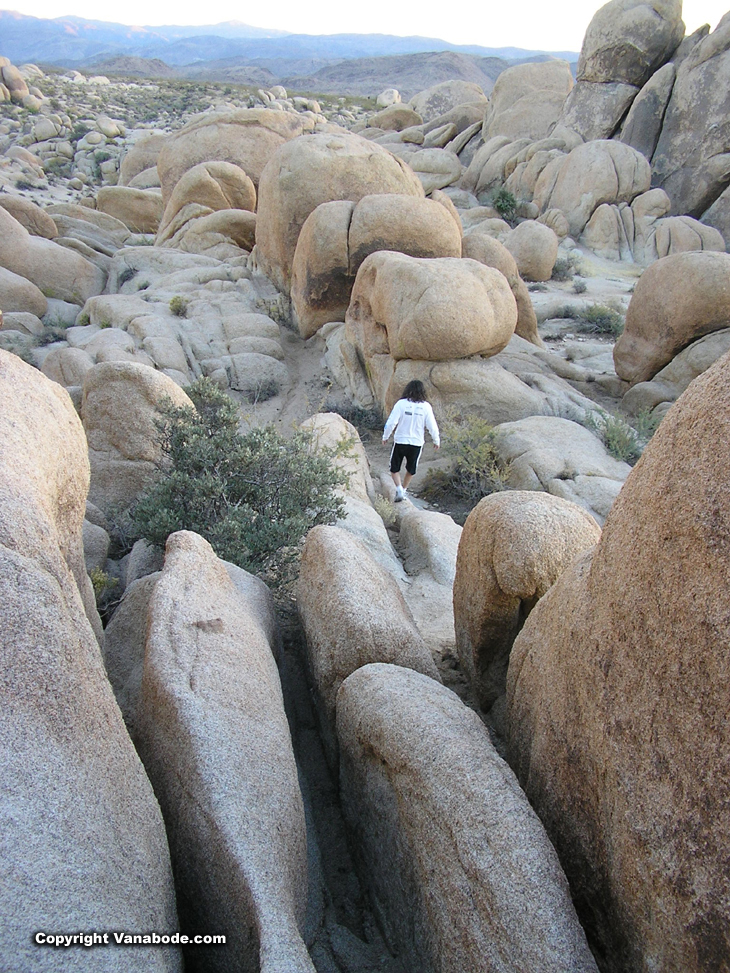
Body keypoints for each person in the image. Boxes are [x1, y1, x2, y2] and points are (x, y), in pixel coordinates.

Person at [382, 380, 440, 502]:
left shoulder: (401, 404)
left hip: (401, 441)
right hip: (416, 443)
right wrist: (436, 440)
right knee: (411, 469)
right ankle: (404, 489)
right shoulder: (426, 406)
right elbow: (432, 426)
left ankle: (399, 489)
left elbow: (391, 422)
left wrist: (385, 436)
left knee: (394, 468)